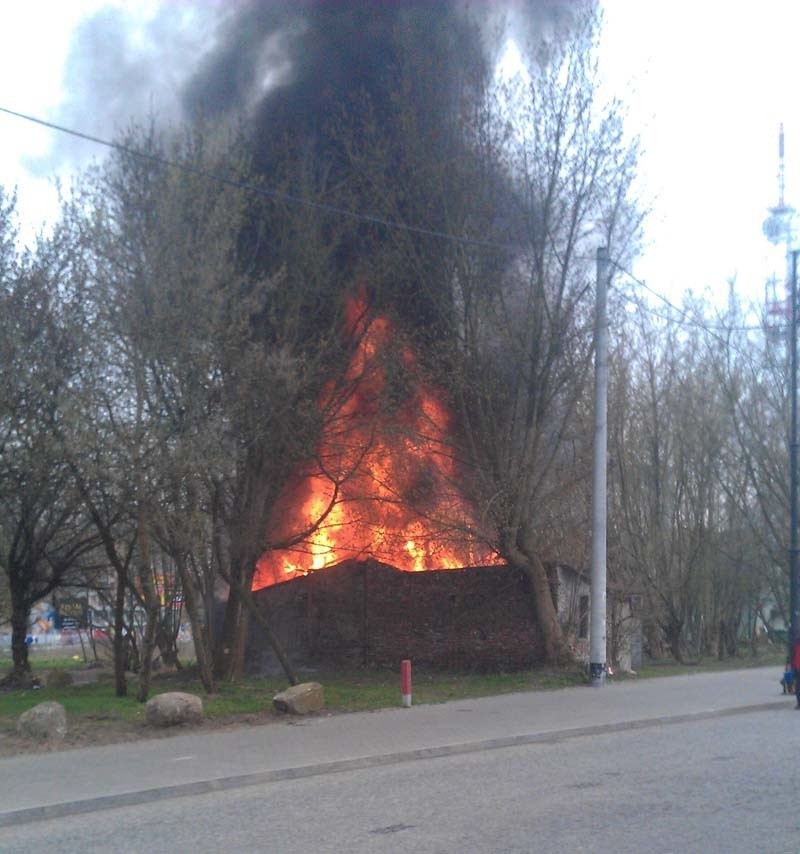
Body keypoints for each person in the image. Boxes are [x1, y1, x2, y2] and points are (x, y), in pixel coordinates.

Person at [792, 635, 800, 709]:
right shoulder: (796, 641)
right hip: (797, 666)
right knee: (798, 686)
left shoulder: (796, 640)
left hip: (797, 666)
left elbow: (793, 654)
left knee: (798, 686)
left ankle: (799, 704)